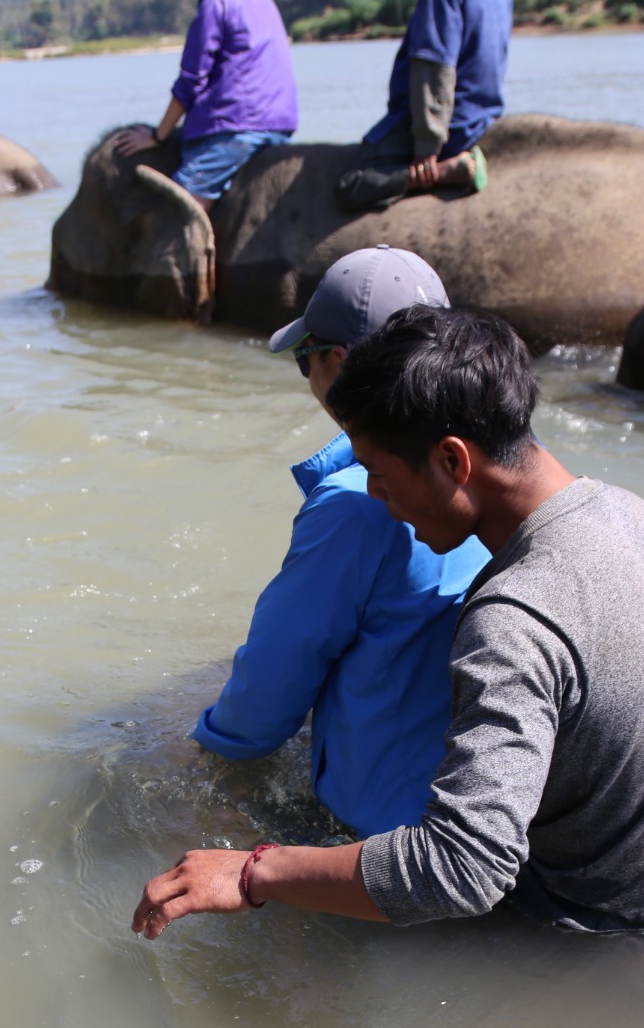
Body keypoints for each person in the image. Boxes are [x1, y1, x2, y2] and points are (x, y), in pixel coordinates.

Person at [135, 306, 644, 940]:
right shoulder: (631, 514)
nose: (373, 495)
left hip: (586, 928)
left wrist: (254, 871)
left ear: (453, 461)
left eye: (377, 472)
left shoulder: (514, 619)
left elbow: (463, 868)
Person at [193, 246, 490, 836]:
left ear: (336, 360)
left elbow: (262, 706)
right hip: (475, 805)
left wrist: (201, 756)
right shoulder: (490, 464)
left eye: (305, 360)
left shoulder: (357, 504)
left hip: (377, 836)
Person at [111, 0, 297, 210]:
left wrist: (158, 136)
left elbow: (191, 79)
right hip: (279, 125)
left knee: (178, 213)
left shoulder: (216, 2)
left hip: (235, 128)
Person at [334, 0, 512, 214]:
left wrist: (427, 145)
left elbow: (435, 63)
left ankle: (441, 173)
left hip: (453, 122)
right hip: (483, 115)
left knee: (350, 184)